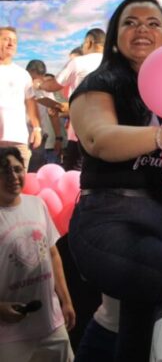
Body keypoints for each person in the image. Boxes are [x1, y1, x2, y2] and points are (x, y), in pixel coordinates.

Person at [67, 0, 162, 362]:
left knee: (118, 316)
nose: (142, 29)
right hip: (111, 219)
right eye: (131, 22)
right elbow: (98, 139)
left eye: (153, 23)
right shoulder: (100, 83)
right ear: (114, 37)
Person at [0, 146, 76, 362]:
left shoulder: (37, 204)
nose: (13, 176)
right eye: (4, 171)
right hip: (10, 334)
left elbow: (53, 254)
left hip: (50, 323)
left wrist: (66, 301)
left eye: (17, 169)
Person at [39, 28, 106, 171]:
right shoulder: (115, 64)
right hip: (110, 133)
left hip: (81, 134)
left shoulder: (79, 62)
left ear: (89, 42)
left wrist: (39, 84)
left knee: (75, 174)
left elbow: (53, 85)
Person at [0, 26, 43, 169]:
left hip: (17, 140)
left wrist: (37, 129)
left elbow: (31, 104)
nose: (11, 44)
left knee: (18, 180)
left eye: (14, 41)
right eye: (6, 39)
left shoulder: (22, 74)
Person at [25, 60, 63, 169]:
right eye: (33, 78)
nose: (35, 82)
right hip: (19, 136)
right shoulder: (20, 86)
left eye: (39, 79)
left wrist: (58, 138)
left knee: (34, 170)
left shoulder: (46, 90)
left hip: (38, 138)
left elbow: (54, 114)